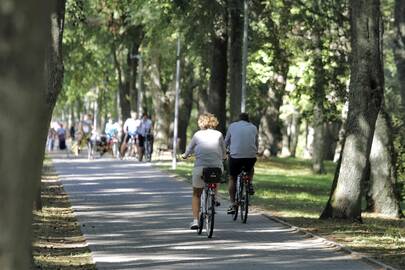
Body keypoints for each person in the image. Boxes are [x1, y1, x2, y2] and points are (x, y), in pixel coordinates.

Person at [181, 113, 226, 230]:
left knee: (196, 194)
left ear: (201, 122)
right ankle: (215, 196)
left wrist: (185, 156)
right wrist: (224, 157)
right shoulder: (219, 134)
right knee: (217, 175)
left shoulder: (197, 135)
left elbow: (189, 149)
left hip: (200, 168)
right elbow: (223, 150)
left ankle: (195, 220)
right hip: (216, 168)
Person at [224, 112, 258, 215]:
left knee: (232, 178)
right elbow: (256, 142)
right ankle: (250, 183)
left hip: (235, 157)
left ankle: (232, 203)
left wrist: (225, 150)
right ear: (248, 120)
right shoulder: (253, 127)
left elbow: (226, 142)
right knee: (250, 169)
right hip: (250, 157)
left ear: (239, 119)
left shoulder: (232, 126)